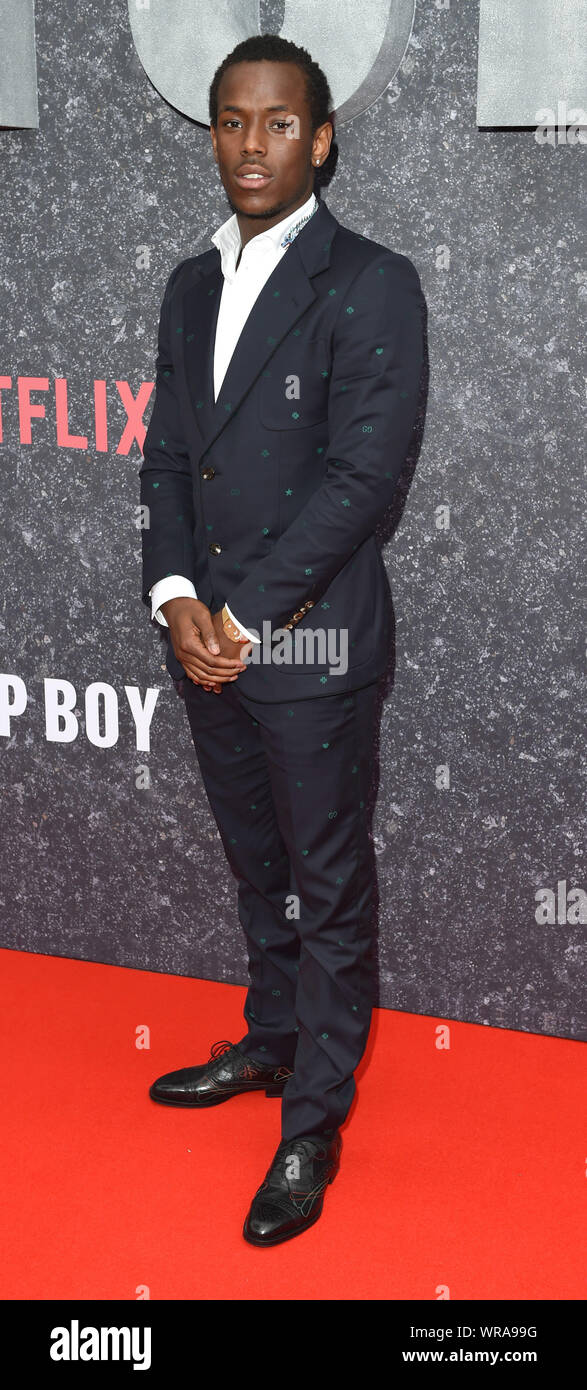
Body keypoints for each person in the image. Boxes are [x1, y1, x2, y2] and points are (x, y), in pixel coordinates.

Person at [139, 33, 424, 1246]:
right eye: (228, 121)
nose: (247, 145)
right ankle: (269, 1040)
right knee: (256, 862)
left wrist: (245, 618)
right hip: (202, 638)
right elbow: (165, 458)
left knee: (326, 873)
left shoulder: (370, 281)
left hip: (301, 644)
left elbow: (363, 482)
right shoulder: (188, 283)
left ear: (318, 139)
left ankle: (312, 1117)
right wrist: (172, 598)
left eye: (274, 124)